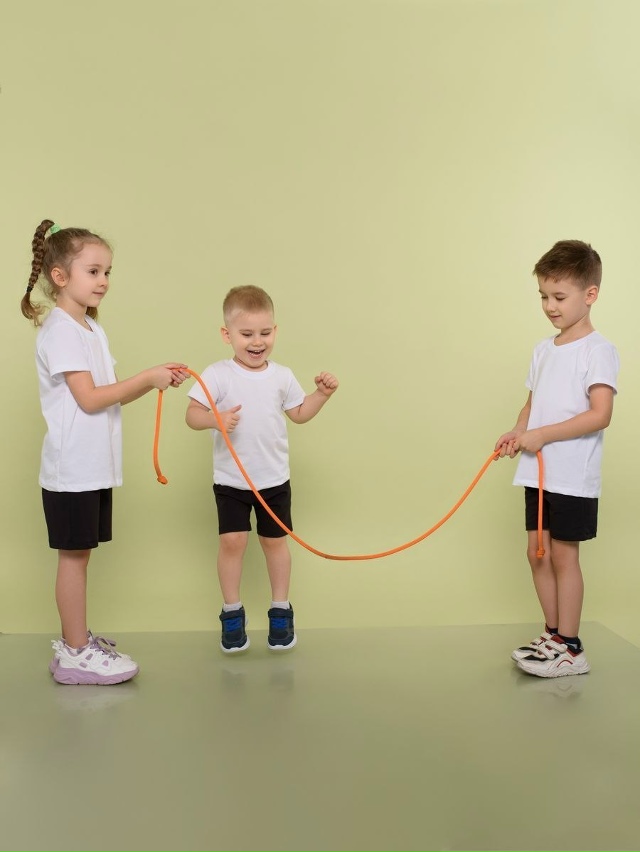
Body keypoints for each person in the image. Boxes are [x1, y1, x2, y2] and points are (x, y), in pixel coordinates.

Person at [22, 219, 188, 685]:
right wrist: (147, 377)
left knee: (81, 556)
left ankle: (77, 642)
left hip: (92, 467)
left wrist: (153, 378)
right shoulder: (61, 331)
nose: (103, 281)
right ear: (60, 276)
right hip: (72, 468)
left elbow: (108, 394)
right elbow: (91, 399)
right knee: (74, 558)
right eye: (93, 271)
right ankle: (75, 652)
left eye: (107, 272)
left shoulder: (90, 328)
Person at [186, 285, 338, 653]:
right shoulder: (217, 374)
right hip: (231, 482)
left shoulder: (282, 376)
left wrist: (321, 395)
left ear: (275, 331)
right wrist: (214, 419)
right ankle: (232, 612)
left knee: (274, 543)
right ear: (227, 335)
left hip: (273, 480)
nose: (257, 342)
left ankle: (280, 610)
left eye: (265, 333)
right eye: (247, 334)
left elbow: (298, 413)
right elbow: (192, 415)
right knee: (232, 542)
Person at [495, 240, 619, 678]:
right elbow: (532, 404)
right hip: (537, 473)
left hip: (571, 476)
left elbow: (600, 414)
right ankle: (552, 635)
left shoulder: (597, 350)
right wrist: (518, 431)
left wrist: (542, 435)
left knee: (565, 558)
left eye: (559, 297)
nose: (550, 306)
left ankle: (571, 647)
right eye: (544, 296)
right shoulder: (543, 349)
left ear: (590, 294)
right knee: (537, 554)